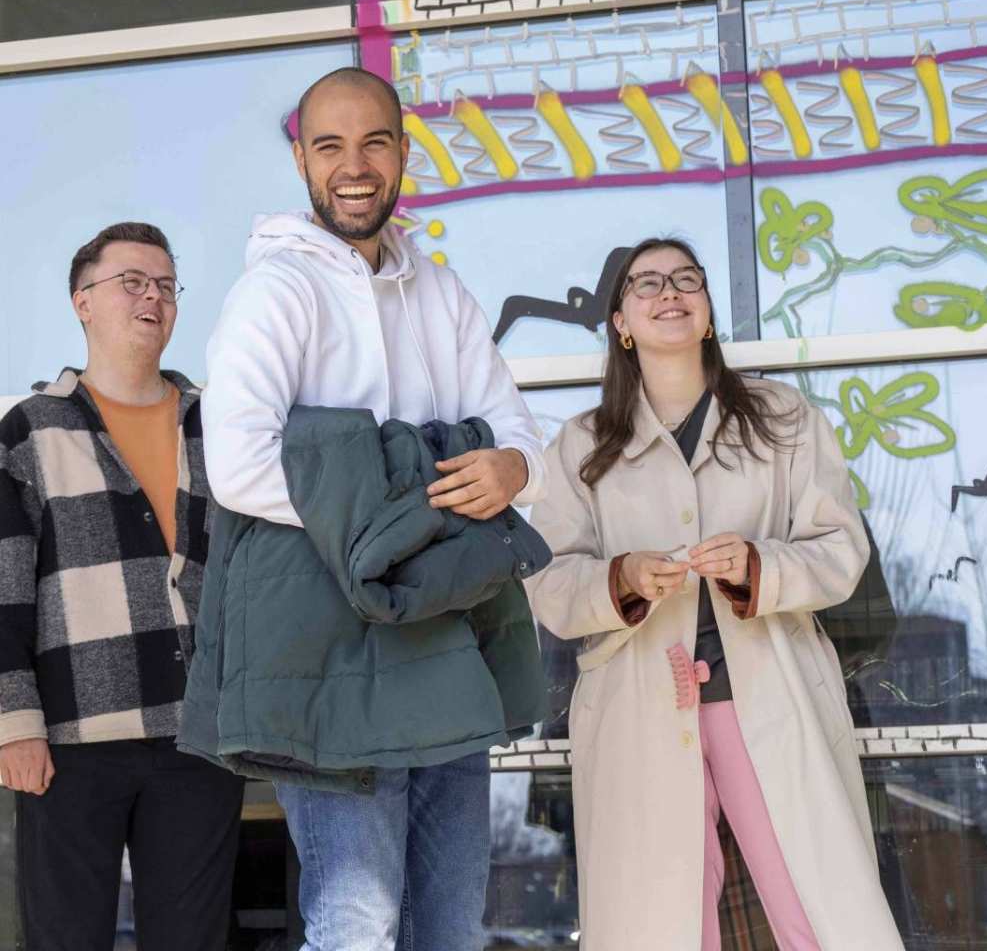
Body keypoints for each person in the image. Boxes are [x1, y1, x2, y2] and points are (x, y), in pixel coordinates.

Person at [198, 67, 546, 951]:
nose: (354, 166)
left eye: (374, 142)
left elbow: (516, 433)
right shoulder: (274, 292)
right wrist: (402, 513)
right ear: (302, 162)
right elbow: (235, 466)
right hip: (321, 647)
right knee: (356, 924)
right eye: (330, 147)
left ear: (402, 150)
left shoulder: (441, 291)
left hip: (442, 632)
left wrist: (509, 465)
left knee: (452, 926)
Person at [524, 237, 905, 950]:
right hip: (639, 701)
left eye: (686, 279)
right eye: (646, 284)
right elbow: (546, 580)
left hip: (767, 694)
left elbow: (842, 549)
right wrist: (622, 579)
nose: (669, 291)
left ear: (706, 314)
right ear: (621, 323)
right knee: (662, 920)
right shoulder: (580, 444)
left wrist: (760, 565)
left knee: (815, 907)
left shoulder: (783, 418)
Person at [0, 223, 244, 951]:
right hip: (73, 742)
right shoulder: (30, 431)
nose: (154, 297)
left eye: (167, 286)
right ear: (82, 301)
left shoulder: (219, 423)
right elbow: (5, 587)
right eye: (132, 281)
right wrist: (15, 723)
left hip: (201, 739)